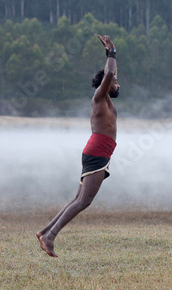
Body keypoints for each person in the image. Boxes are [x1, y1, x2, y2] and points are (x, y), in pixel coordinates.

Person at [36, 35, 120, 257]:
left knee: (77, 199)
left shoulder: (107, 101)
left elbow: (112, 73)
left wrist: (109, 57)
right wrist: (111, 52)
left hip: (100, 152)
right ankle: (50, 237)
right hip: (97, 153)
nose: (118, 83)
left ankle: (45, 232)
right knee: (84, 201)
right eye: (115, 81)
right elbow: (109, 73)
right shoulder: (99, 98)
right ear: (106, 83)